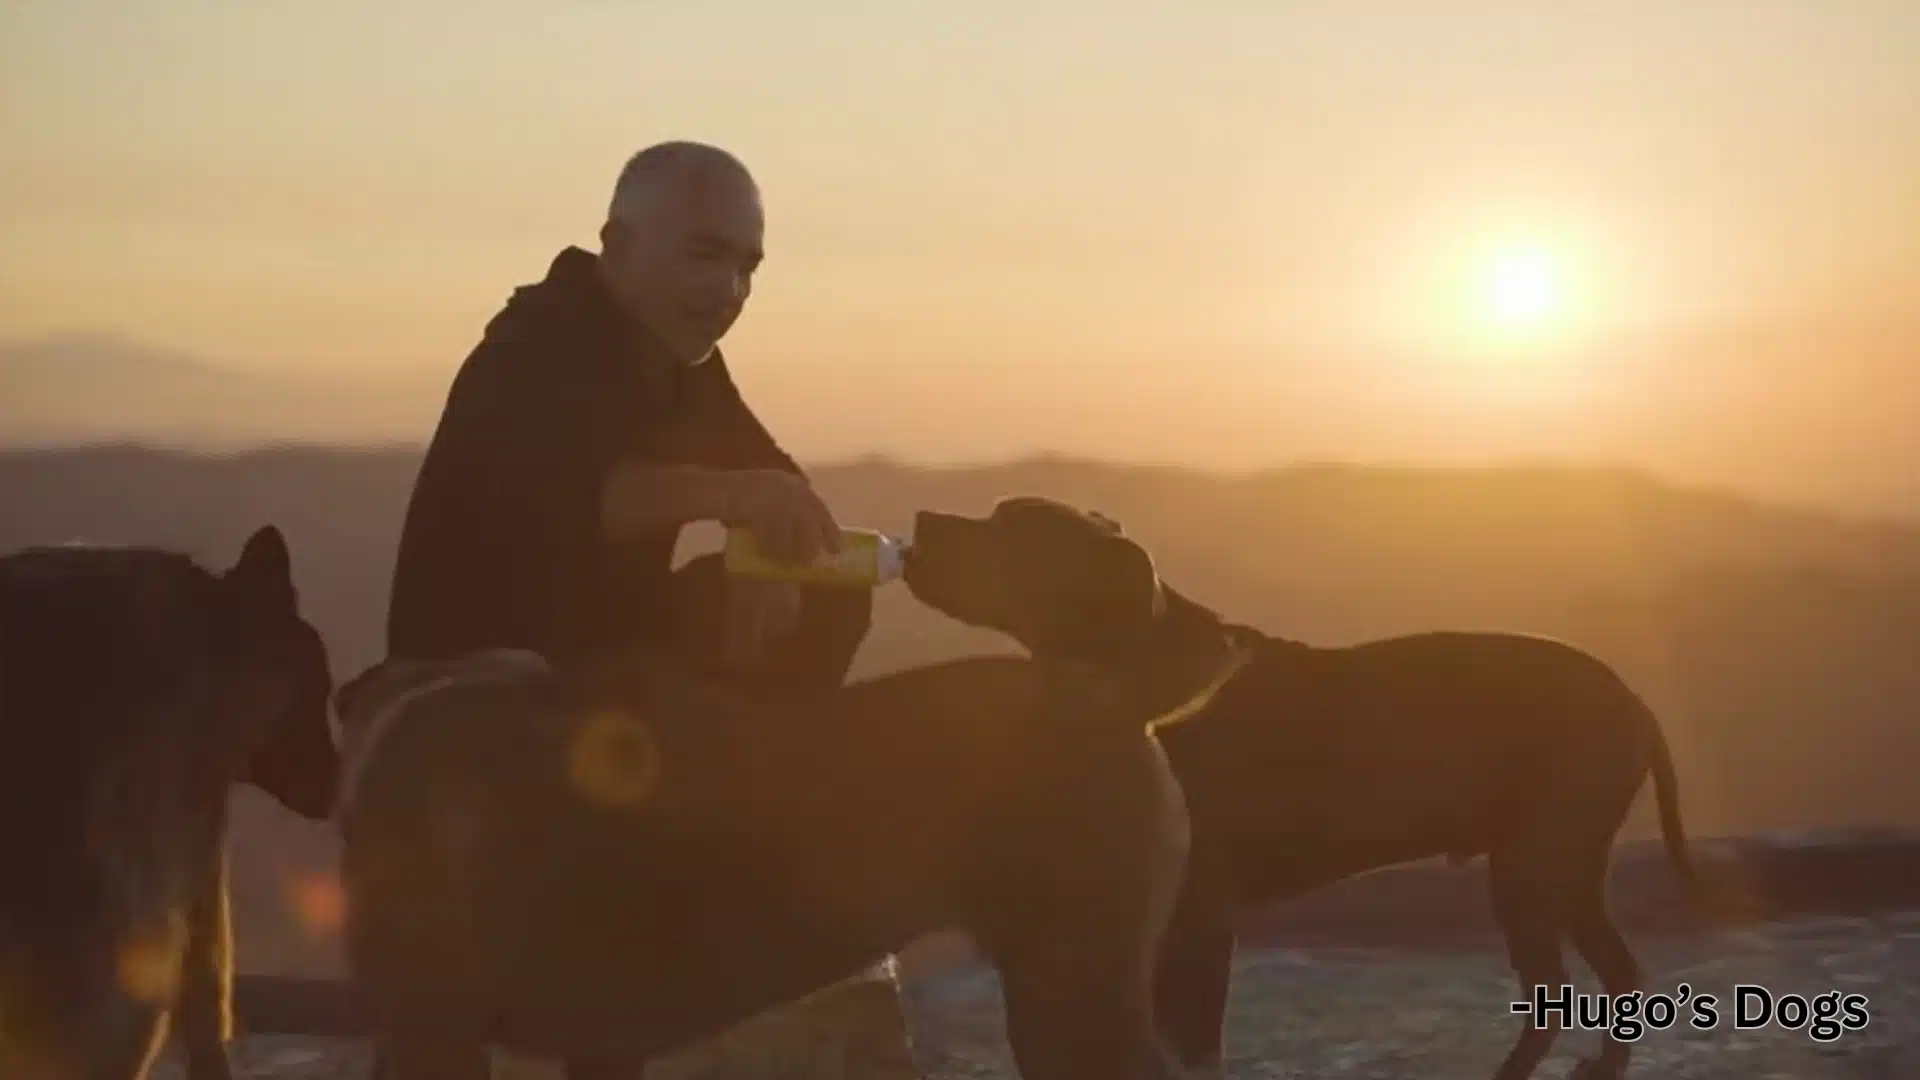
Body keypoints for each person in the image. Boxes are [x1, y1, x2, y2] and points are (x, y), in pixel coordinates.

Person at [381, 141, 920, 1078]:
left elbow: (775, 487)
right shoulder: (540, 345)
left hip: (606, 660)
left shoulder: (679, 357)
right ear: (617, 245)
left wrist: (768, 556)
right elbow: (570, 497)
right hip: (482, 682)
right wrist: (734, 500)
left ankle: (723, 863)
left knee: (823, 598)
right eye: (705, 255)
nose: (730, 289)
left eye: (748, 266)